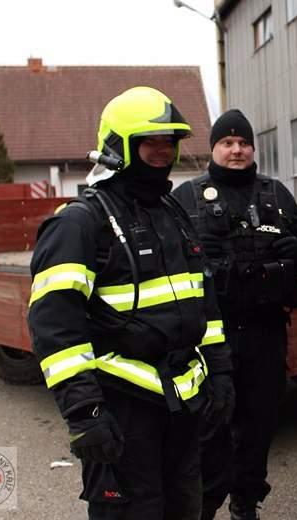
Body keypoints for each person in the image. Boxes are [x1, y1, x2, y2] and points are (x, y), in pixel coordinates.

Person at [27, 86, 233, 520]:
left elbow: (204, 304)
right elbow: (54, 326)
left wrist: (220, 372)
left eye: (169, 142)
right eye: (149, 141)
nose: (162, 152)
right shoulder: (81, 222)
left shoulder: (173, 213)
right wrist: (84, 411)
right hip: (121, 409)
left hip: (182, 404)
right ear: (118, 145)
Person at [173, 109, 297, 520]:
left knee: (259, 427)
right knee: (208, 429)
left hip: (267, 332)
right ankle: (201, 506)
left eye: (243, 143)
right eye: (227, 143)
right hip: (211, 337)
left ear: (252, 147)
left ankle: (245, 502)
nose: (236, 150)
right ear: (214, 148)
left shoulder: (274, 193)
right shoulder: (187, 197)